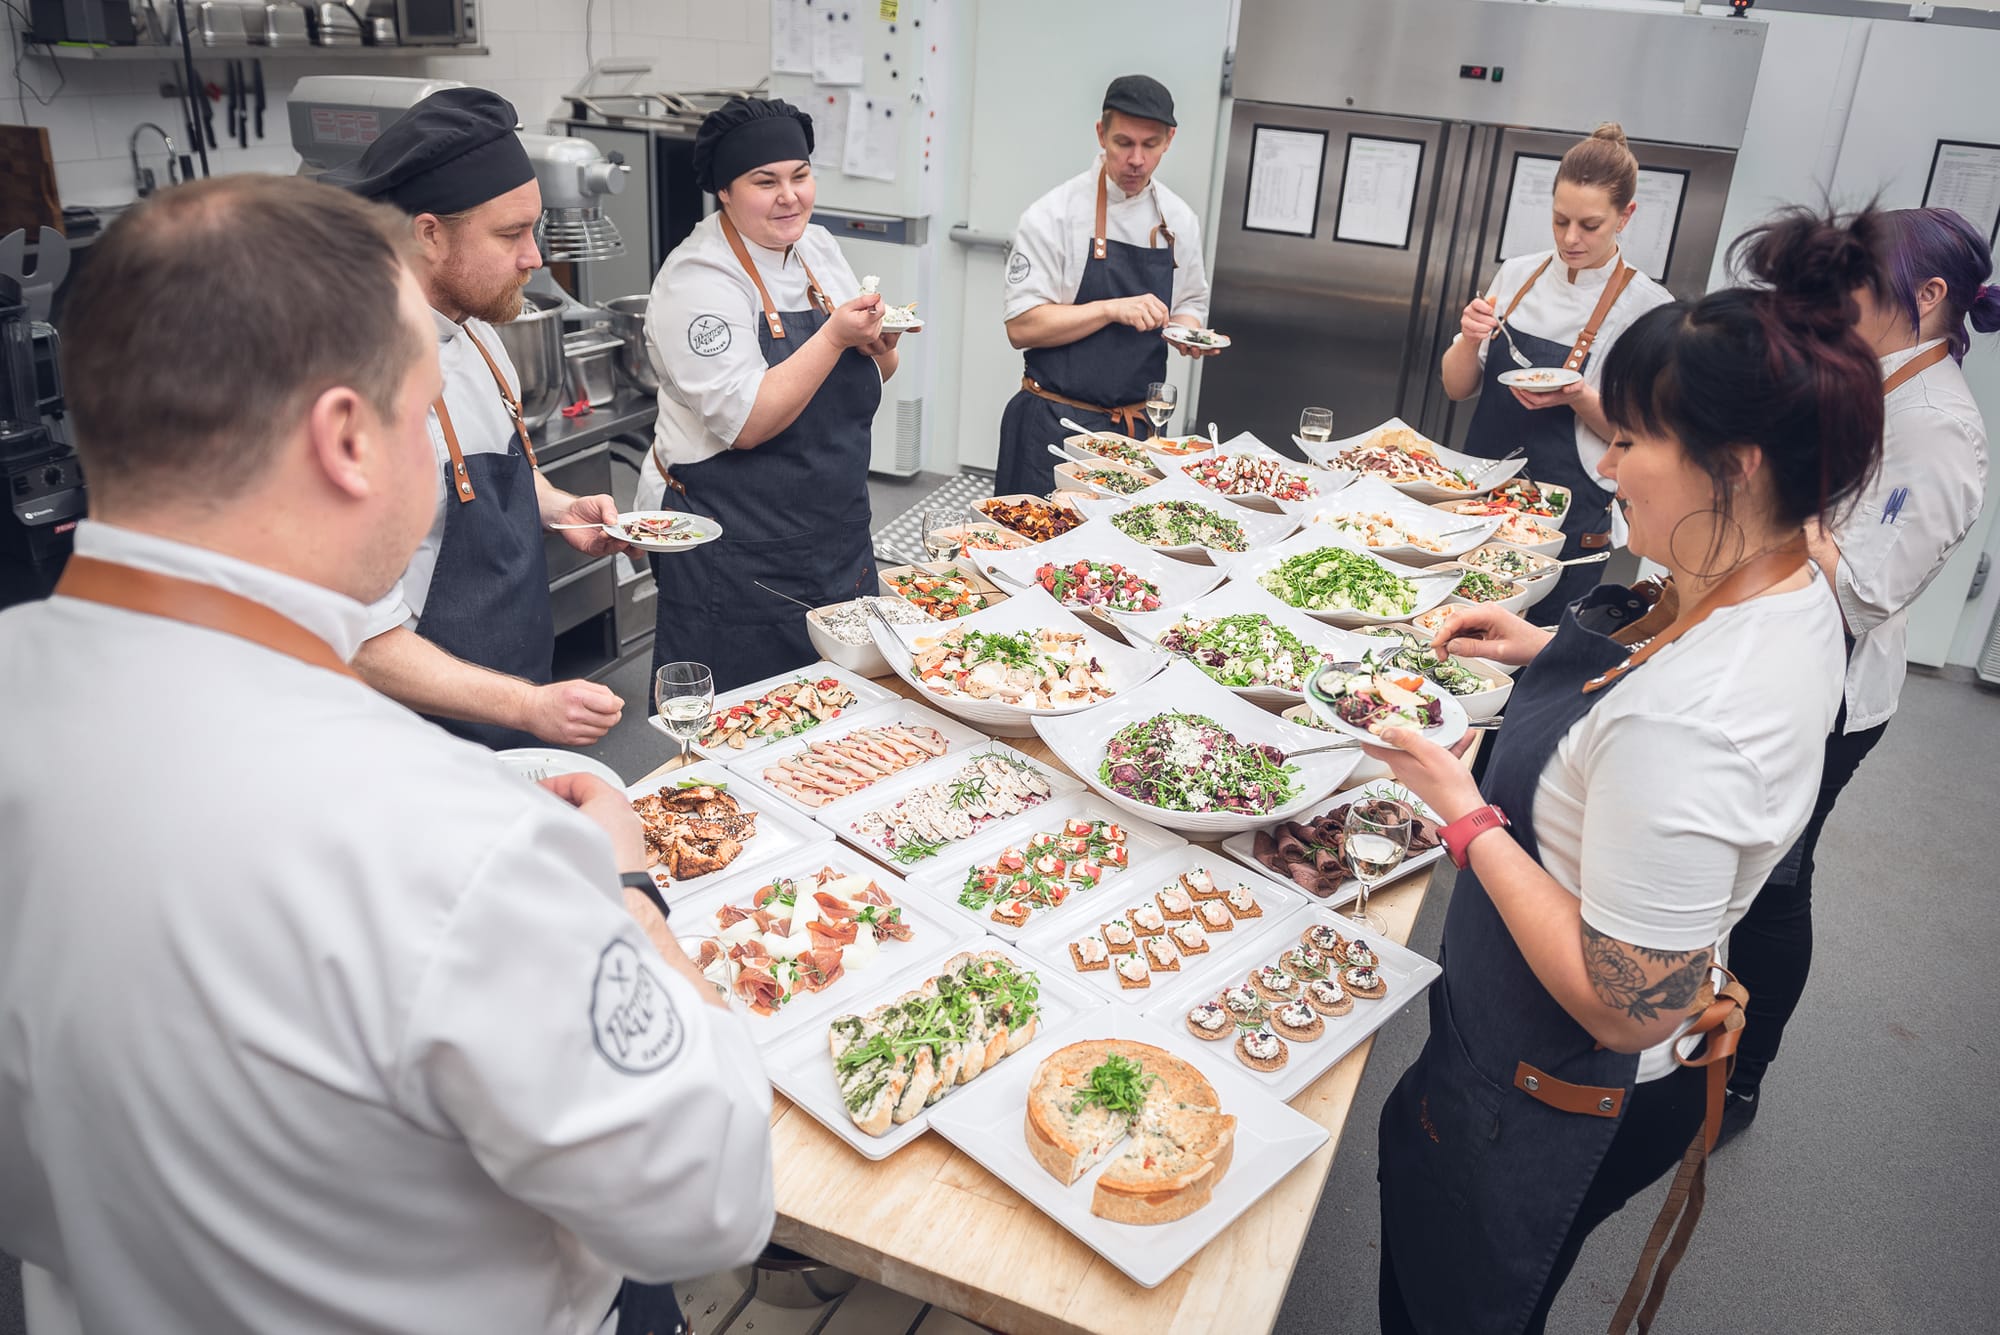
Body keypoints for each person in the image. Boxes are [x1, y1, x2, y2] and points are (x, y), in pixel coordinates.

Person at [0, 176, 774, 1334]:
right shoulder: (457, 850)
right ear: (348, 439)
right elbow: (709, 1200)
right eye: (423, 412)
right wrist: (626, 889)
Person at [1367, 210, 1887, 1335]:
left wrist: (1464, 815)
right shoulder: (1775, 573)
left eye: (1633, 441)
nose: (1606, 464)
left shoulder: (1696, 723)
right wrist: (1545, 645)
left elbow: (1624, 1001)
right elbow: (1664, 651)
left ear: (1734, 465)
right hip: (1535, 1065)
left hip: (1560, 1093)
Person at [1721, 207, 1995, 1141]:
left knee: (1777, 881)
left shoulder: (1942, 430)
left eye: (1854, 285)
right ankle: (1697, 1026)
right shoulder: (1873, 380)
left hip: (1833, 687)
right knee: (1734, 859)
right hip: (1773, 648)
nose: (1833, 303)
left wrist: (1779, 496)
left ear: (1926, 298)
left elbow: (1871, 590)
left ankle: (1744, 1074)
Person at [330, 87, 629, 750]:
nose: (535, 256)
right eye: (510, 234)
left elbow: (496, 473)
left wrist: (557, 508)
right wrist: (526, 706)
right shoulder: (357, 388)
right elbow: (363, 640)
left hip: (512, 694)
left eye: (534, 228)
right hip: (415, 733)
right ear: (429, 233)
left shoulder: (483, 335)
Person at [640, 96, 898, 693]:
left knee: (849, 718)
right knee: (747, 722)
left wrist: (879, 343)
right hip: (739, 547)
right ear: (724, 192)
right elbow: (748, 421)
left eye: (801, 176)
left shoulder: (819, 251)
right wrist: (835, 335)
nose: (791, 196)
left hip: (835, 529)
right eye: (766, 181)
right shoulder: (698, 281)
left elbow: (878, 375)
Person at [1441, 123, 1675, 625]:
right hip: (1477, 504)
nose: (1571, 239)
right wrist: (1468, 337)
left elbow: (1641, 440)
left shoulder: (1648, 310)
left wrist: (1581, 397)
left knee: (1536, 664)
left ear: (1625, 216)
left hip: (1567, 525)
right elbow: (1456, 387)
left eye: (1589, 225)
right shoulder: (1517, 274)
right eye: (1559, 220)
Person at [993, 74, 1213, 499]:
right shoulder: (1054, 215)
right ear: (1101, 134)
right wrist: (1112, 309)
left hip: (1136, 434)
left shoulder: (1179, 221)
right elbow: (1022, 327)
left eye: (1150, 145)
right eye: (1123, 142)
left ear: (1169, 140)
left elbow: (1190, 302)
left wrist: (1187, 332)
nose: (1136, 160)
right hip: (1053, 427)